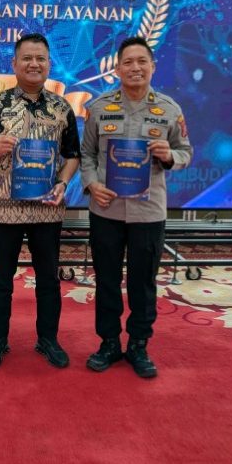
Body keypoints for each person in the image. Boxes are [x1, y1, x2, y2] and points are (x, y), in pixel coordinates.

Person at [0, 33, 81, 369]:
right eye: (27, 58)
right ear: (14, 64)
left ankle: (48, 339)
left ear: (49, 64)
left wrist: (63, 182)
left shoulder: (62, 108)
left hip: (47, 209)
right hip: (4, 208)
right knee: (1, 279)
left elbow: (73, 155)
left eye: (40, 58)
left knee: (48, 279)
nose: (34, 64)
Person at [81, 36, 192, 377]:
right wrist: (91, 184)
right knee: (107, 280)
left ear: (153, 66)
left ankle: (139, 344)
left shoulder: (170, 110)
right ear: (117, 69)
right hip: (107, 210)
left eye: (142, 61)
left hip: (148, 212)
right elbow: (87, 154)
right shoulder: (98, 107)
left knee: (143, 282)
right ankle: (109, 343)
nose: (135, 68)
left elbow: (186, 152)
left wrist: (170, 155)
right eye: (128, 62)